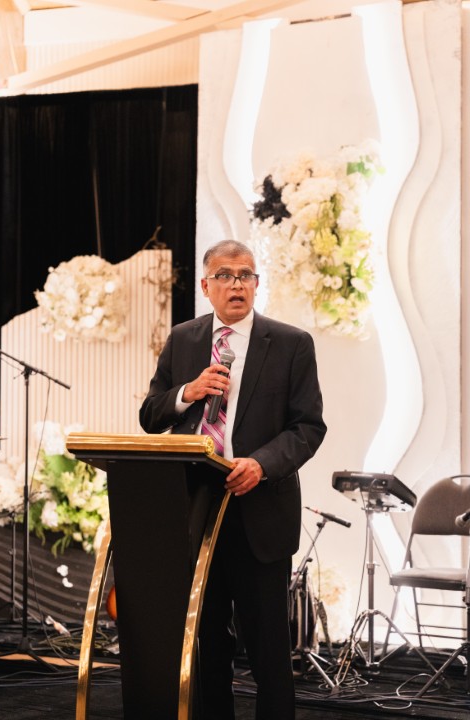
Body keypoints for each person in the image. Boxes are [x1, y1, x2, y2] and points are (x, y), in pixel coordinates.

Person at [139, 239, 326, 720]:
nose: (236, 284)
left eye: (245, 275)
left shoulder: (291, 343)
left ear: (257, 284)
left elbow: (308, 427)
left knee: (268, 649)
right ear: (206, 286)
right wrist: (187, 391)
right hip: (194, 511)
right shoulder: (183, 339)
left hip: (258, 510)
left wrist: (261, 464)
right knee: (205, 646)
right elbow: (151, 415)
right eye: (224, 275)